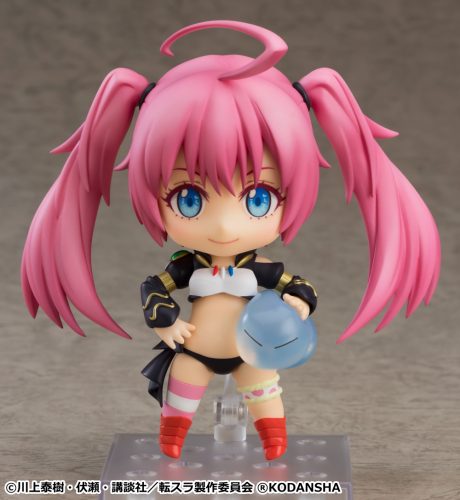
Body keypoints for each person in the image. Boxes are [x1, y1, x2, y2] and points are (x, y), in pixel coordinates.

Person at [21, 20, 441, 461]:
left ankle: (274, 446)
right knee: (180, 394)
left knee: (265, 394)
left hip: (251, 352)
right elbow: (154, 287)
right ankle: (172, 443)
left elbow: (298, 285)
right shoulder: (187, 266)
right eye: (188, 200)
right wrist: (166, 322)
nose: (223, 227)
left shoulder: (259, 270)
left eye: (259, 199)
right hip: (195, 349)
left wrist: (298, 304)